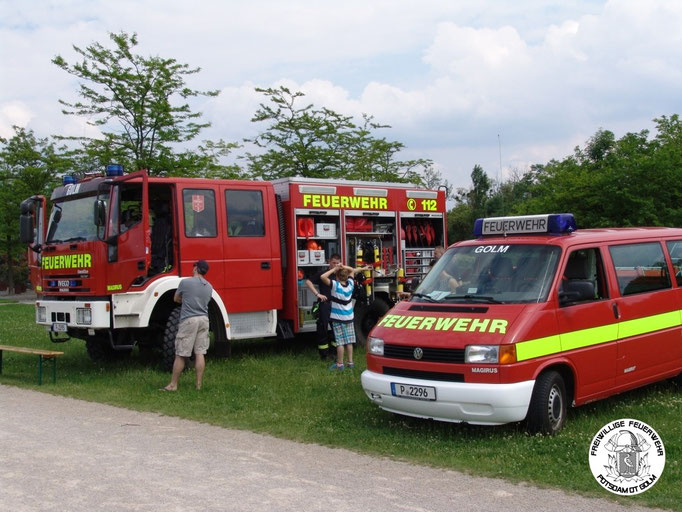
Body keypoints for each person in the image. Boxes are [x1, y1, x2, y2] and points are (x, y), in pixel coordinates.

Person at [162, 260, 213, 391]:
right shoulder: (209, 286)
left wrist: (186, 301)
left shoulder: (185, 282)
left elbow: (176, 299)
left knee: (181, 353)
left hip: (189, 320)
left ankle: (173, 384)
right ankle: (198, 385)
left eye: (194, 266)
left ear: (196, 268)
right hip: (204, 319)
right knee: (200, 352)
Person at [320, 263, 369, 370]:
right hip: (349, 318)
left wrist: (334, 269)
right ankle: (350, 363)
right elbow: (352, 270)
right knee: (349, 342)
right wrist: (344, 267)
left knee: (340, 342)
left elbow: (322, 277)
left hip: (338, 318)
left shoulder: (335, 285)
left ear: (336, 276)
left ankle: (340, 364)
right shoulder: (351, 284)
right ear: (347, 276)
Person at [305, 253, 341, 359]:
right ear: (329, 262)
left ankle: (334, 352)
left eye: (337, 263)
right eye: (333, 263)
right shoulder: (324, 274)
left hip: (336, 305)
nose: (335, 265)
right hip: (325, 305)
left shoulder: (340, 275)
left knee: (337, 330)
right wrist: (317, 294)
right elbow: (308, 282)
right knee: (322, 329)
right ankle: (324, 354)